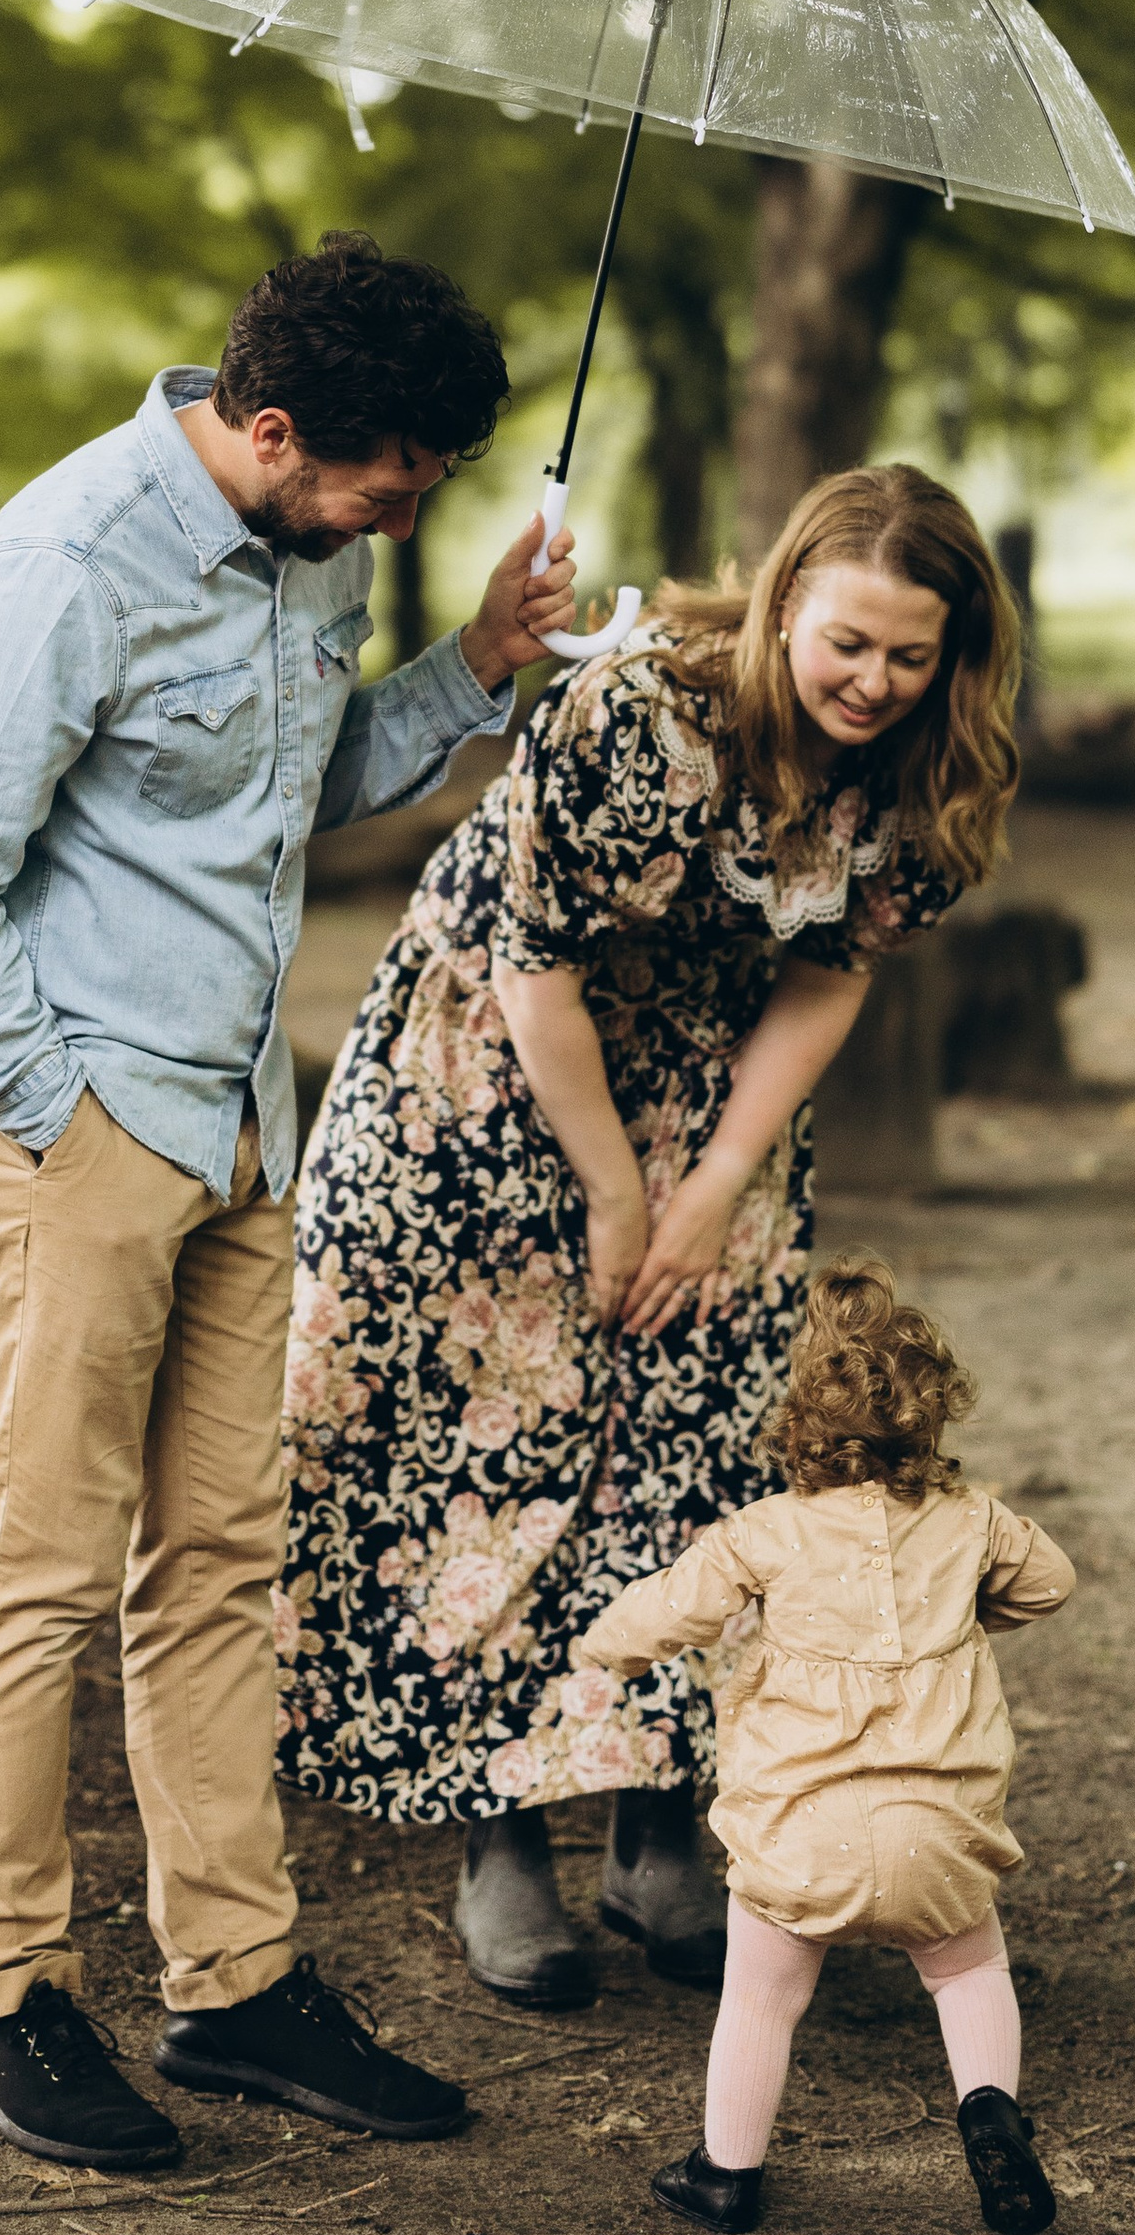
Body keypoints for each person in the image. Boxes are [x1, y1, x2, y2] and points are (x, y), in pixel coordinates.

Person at [0, 233, 578, 2173]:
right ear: (270, 429)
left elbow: (283, 782)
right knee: (36, 1568)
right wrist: (64, 1126)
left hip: (244, 1127)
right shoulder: (62, 565)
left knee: (218, 1562)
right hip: (74, 1137)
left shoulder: (318, 541)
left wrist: (471, 670)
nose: (403, 512)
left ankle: (234, 1988)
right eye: (389, 484)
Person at [275, 463, 1021, 2009]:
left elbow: (833, 975)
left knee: (701, 1435)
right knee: (481, 1448)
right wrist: (618, 1191)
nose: (872, 682)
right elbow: (533, 959)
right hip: (487, 1075)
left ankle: (662, 1830)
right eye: (845, 643)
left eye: (908, 654)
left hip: (712, 1087)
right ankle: (501, 1840)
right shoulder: (643, 714)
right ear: (783, 604)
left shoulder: (927, 779)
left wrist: (716, 1182)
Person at [572, 1261, 1075, 2235]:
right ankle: (987, 2110)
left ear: (799, 1428)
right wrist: (974, 1604)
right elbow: (1049, 1582)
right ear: (929, 1430)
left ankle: (725, 2174)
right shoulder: (970, 1523)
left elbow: (661, 1614)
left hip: (801, 1839)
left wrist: (600, 1648)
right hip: (940, 1837)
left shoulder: (761, 1534)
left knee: (760, 2000)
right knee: (970, 1973)